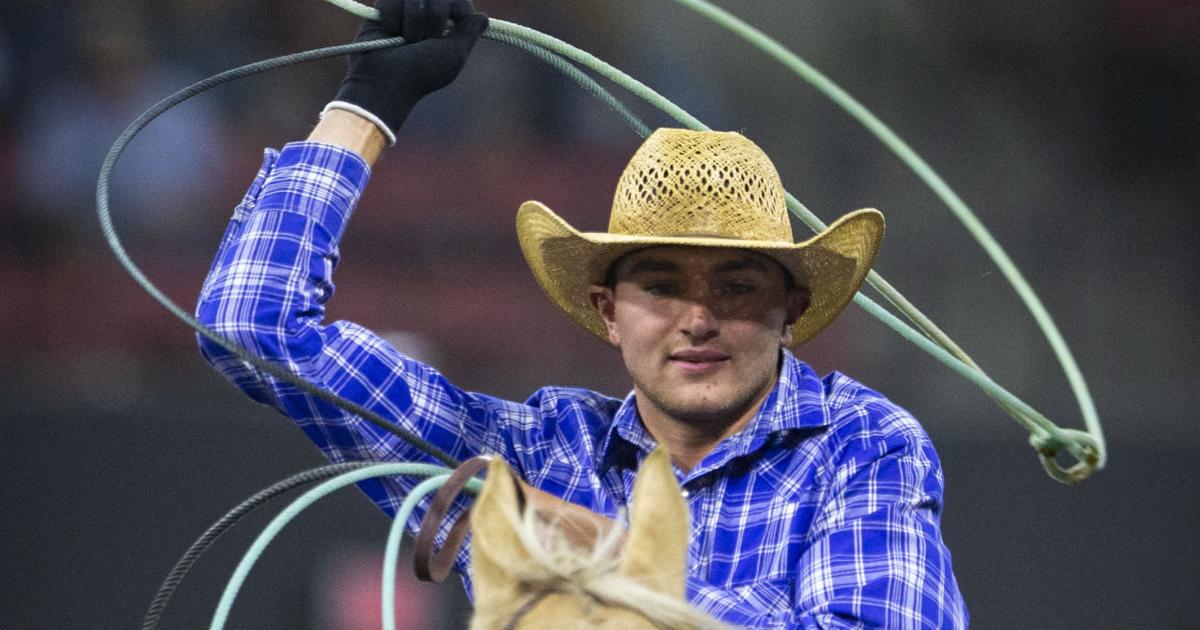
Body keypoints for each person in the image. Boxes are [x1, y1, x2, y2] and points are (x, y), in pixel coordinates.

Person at [196, 1, 968, 626]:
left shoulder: (859, 445)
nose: (696, 318)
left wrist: (595, 550)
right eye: (661, 287)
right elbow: (251, 327)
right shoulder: (535, 453)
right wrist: (365, 107)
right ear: (607, 312)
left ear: (791, 309)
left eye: (735, 288)